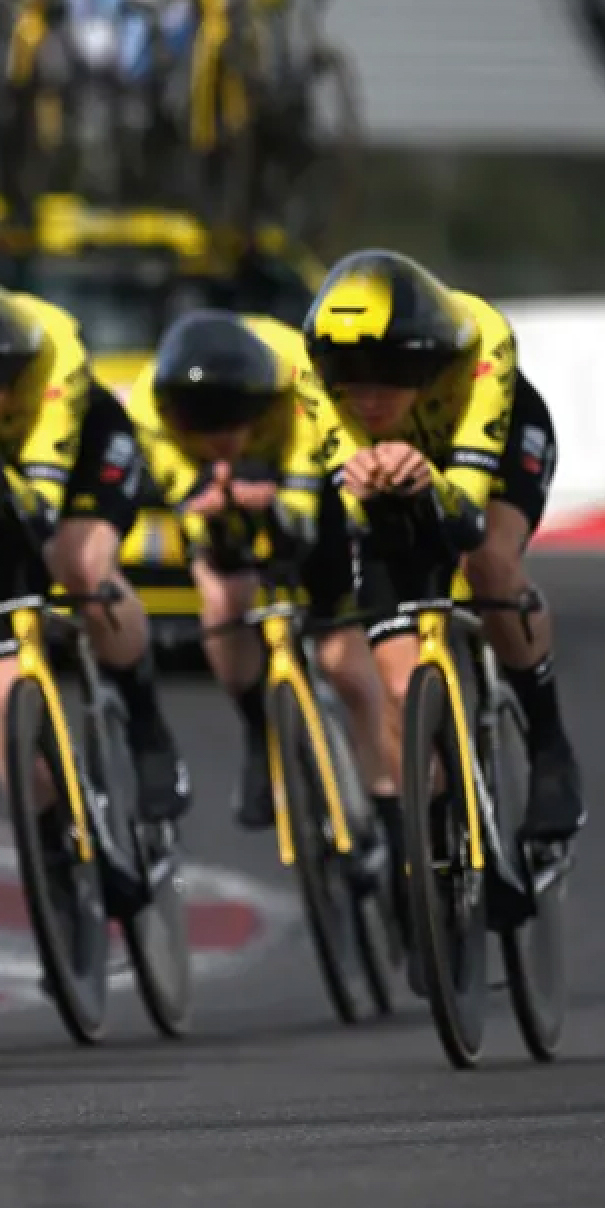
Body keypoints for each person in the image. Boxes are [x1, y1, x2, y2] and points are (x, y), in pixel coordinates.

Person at [303, 249, 585, 842]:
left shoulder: (483, 339)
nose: (369, 396)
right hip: (408, 473)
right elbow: (368, 522)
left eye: (389, 370)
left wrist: (425, 480)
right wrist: (381, 492)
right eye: (347, 373)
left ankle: (549, 746)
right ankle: (437, 831)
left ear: (429, 360)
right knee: (401, 685)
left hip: (493, 451)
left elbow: (466, 521)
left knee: (490, 564)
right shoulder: (315, 381)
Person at [0, 268, 191, 821]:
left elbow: (41, 506)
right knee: (3, 696)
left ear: (9, 372)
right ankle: (49, 844)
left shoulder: (52, 347)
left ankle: (146, 724)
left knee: (80, 565)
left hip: (79, 459)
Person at [126, 308, 400, 860]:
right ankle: (259, 730)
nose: (218, 440)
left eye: (229, 427)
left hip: (299, 475)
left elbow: (303, 511)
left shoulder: (300, 381)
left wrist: (275, 500)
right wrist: (210, 502)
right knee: (224, 596)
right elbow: (195, 514)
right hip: (231, 487)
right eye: (200, 430)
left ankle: (393, 813)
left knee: (344, 663)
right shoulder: (148, 407)